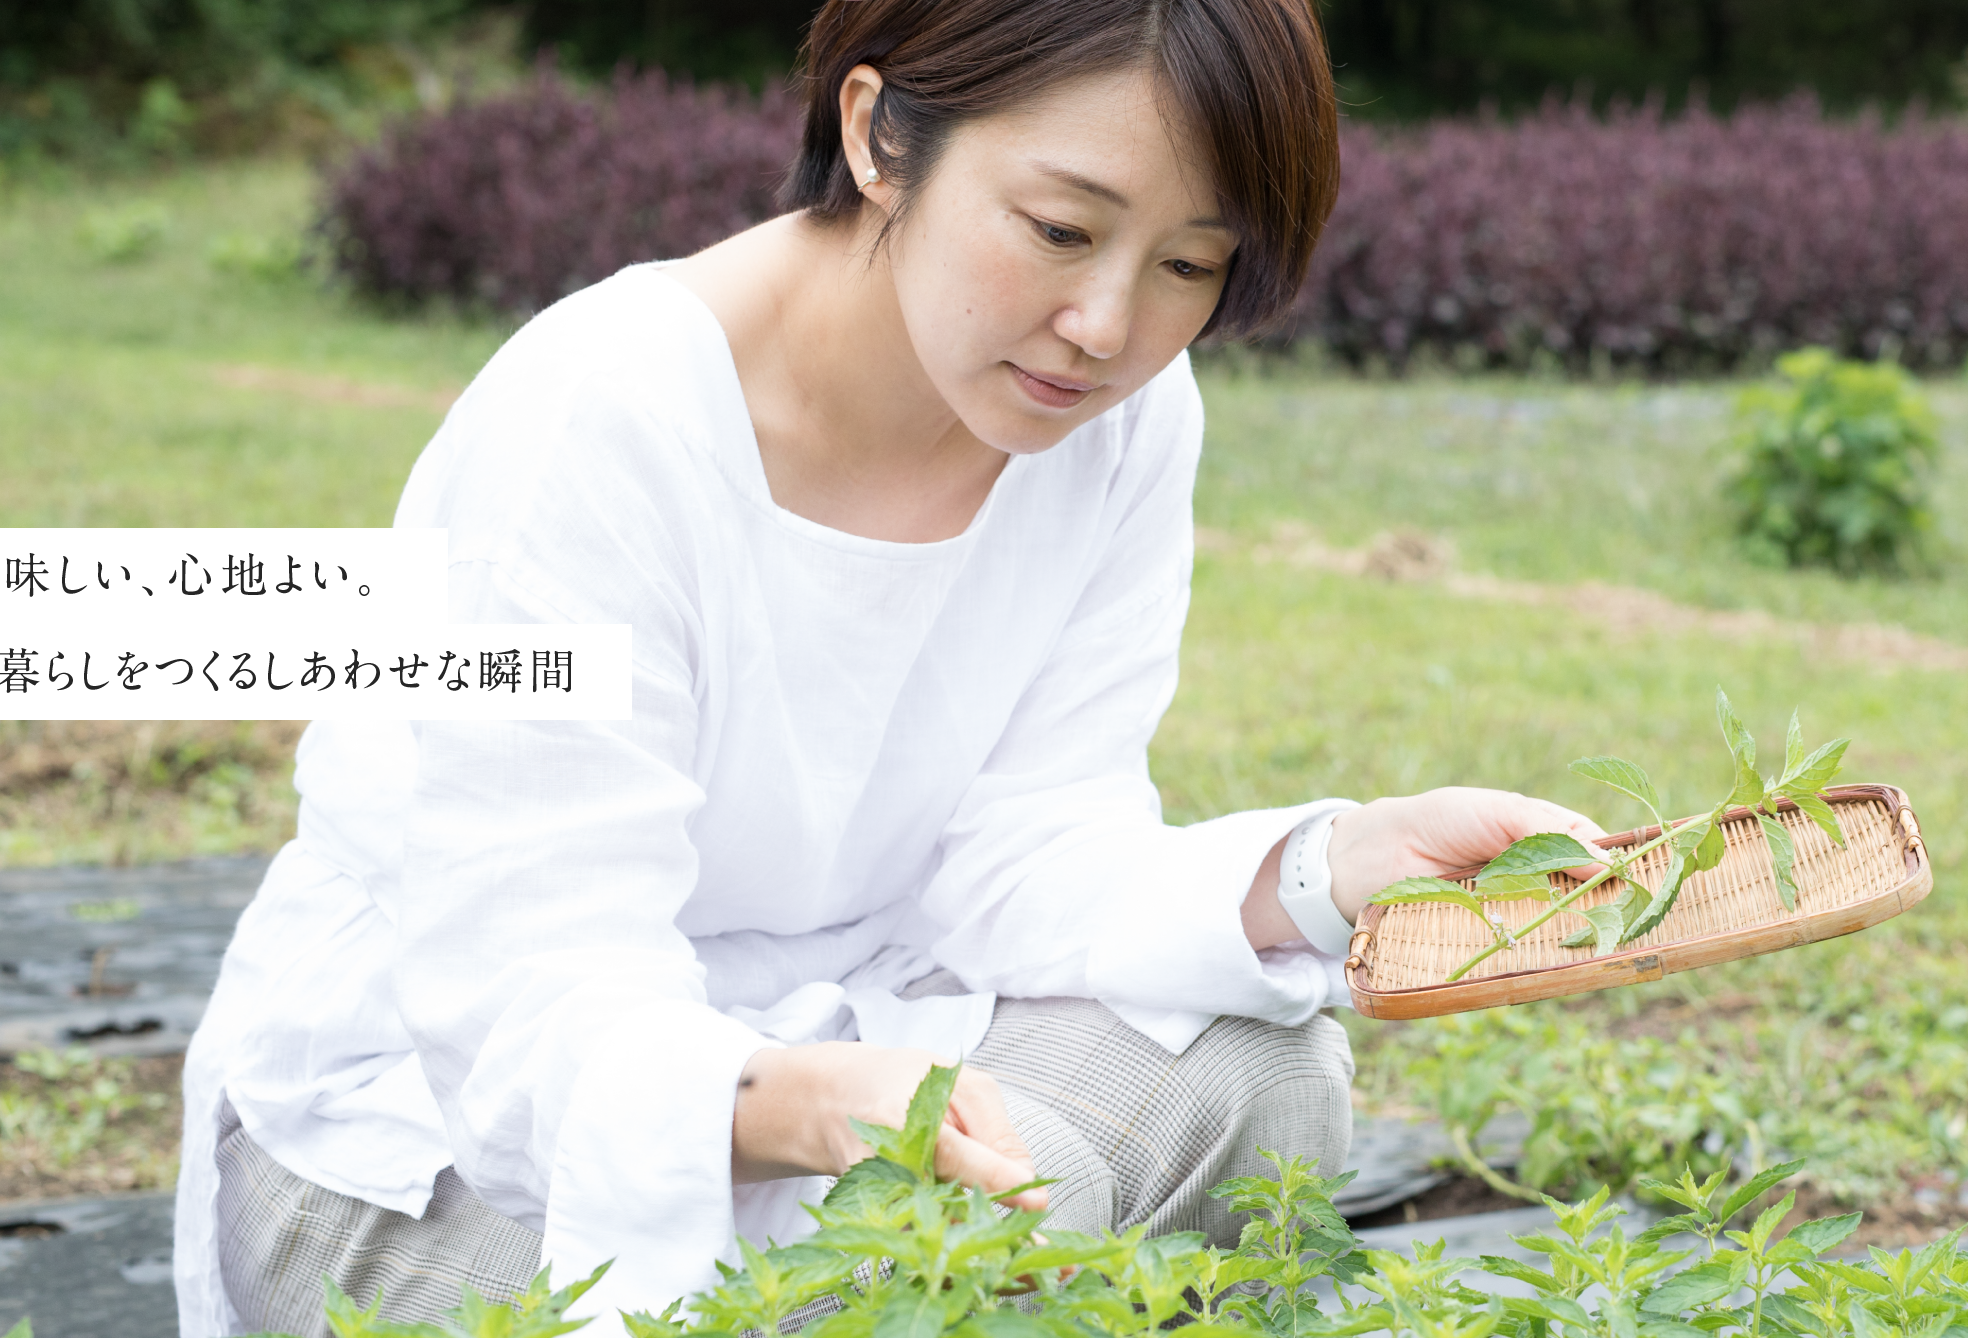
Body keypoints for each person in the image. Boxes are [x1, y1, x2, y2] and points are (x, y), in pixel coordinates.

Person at [171, 0, 1609, 1332]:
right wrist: (806, 1106)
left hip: (851, 1044)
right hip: (436, 1151)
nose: (1109, 328)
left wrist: (1329, 865)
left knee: (1265, 1081)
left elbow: (1028, 845)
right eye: (1058, 229)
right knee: (899, 1263)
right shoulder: (598, 421)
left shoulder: (1118, 419)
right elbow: (524, 1002)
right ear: (876, 136)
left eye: (1187, 264)